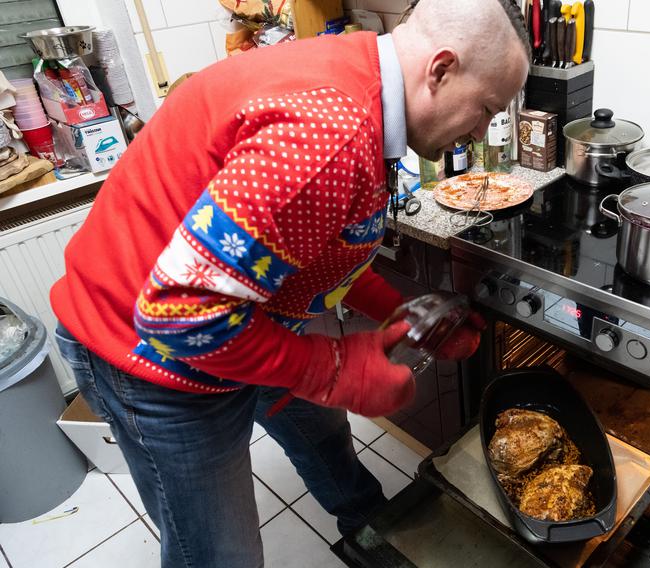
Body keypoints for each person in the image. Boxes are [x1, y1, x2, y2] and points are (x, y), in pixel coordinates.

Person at [49, 0, 530, 566]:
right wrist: (331, 370)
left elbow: (318, 248)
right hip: (150, 353)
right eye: (485, 110)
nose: (478, 134)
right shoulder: (329, 136)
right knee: (219, 553)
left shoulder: (361, 79)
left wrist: (405, 311)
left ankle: (371, 530)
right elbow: (180, 313)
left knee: (322, 436)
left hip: (246, 319)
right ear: (441, 69)